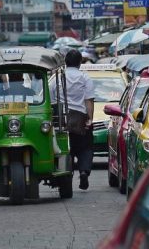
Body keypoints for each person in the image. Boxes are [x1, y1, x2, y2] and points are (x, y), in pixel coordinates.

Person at [56, 49, 95, 191]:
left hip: (62, 119)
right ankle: (83, 171)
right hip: (80, 119)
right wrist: (90, 119)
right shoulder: (85, 78)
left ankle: (66, 174)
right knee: (85, 148)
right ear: (80, 63)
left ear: (65, 62)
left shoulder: (57, 78)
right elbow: (89, 100)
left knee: (66, 149)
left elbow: (51, 98)